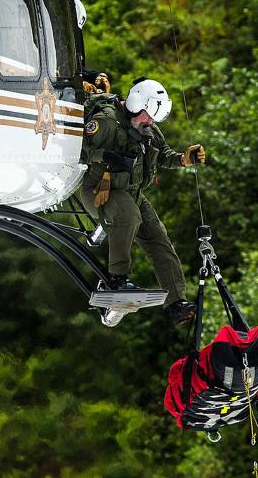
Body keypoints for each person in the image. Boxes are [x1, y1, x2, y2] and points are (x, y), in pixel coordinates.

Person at [80, 77, 205, 324]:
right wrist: (104, 156)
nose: (150, 122)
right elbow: (76, 148)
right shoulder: (105, 122)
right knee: (129, 215)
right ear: (137, 104)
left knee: (158, 238)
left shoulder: (147, 128)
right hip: (99, 191)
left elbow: (162, 155)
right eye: (148, 116)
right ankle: (115, 280)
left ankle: (176, 302)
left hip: (132, 193)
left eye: (154, 119)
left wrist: (184, 160)